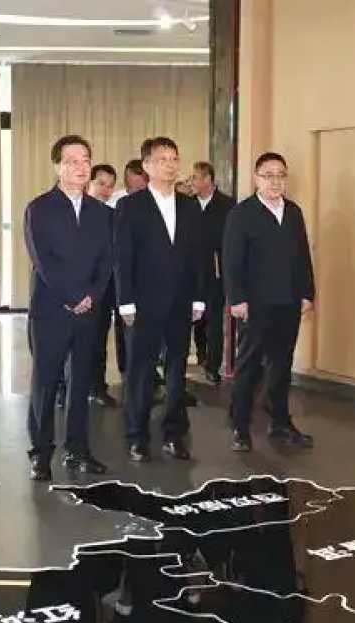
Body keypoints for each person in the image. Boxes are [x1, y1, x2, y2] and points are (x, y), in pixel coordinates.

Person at [24, 135, 112, 481]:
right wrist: (72, 296)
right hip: (52, 309)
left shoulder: (100, 212)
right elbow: (43, 260)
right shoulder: (40, 208)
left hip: (89, 310)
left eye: (85, 159)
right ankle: (40, 453)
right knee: (46, 382)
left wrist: (91, 295)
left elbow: (106, 260)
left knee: (80, 383)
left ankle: (77, 450)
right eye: (72, 160)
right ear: (57, 166)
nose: (81, 166)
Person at [115, 137, 205, 463]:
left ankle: (174, 434)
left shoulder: (190, 206)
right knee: (140, 372)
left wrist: (199, 298)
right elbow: (122, 256)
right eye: (162, 159)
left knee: (177, 371)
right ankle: (137, 436)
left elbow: (198, 256)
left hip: (181, 302)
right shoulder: (130, 206)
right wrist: (125, 301)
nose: (170, 164)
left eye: (174, 158)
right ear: (147, 166)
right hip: (143, 303)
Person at [223, 152, 316, 452]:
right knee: (249, 366)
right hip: (254, 304)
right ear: (256, 178)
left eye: (281, 175)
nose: (275, 181)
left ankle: (280, 423)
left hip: (288, 300)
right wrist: (237, 299)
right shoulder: (242, 214)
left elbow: (302, 255)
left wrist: (307, 293)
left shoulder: (293, 212)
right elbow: (232, 261)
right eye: (268, 175)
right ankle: (240, 427)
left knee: (282, 364)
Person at [190, 161, 236, 385]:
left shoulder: (227, 205)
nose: (192, 182)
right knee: (193, 318)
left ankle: (212, 364)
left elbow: (231, 240)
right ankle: (200, 355)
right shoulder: (187, 204)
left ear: (208, 179)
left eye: (195, 177)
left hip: (215, 271)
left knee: (214, 320)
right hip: (189, 271)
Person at [86, 163, 121, 407]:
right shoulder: (74, 212)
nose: (105, 190)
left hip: (104, 290)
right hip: (75, 290)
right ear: (88, 183)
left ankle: (97, 387)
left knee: (98, 342)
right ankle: (64, 389)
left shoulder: (113, 216)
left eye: (110, 186)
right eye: (101, 183)